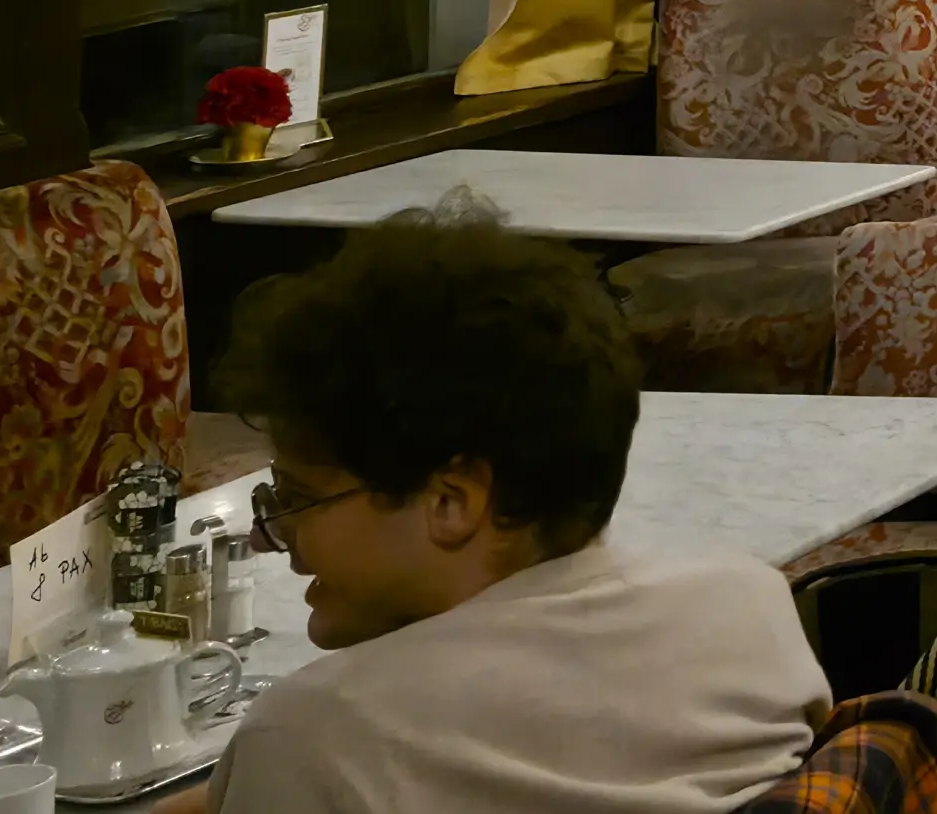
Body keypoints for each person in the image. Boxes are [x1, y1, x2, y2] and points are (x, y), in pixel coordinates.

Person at [211, 213, 828, 814]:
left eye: (294, 499)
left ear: (452, 502)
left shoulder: (317, 738)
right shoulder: (750, 608)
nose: (273, 537)